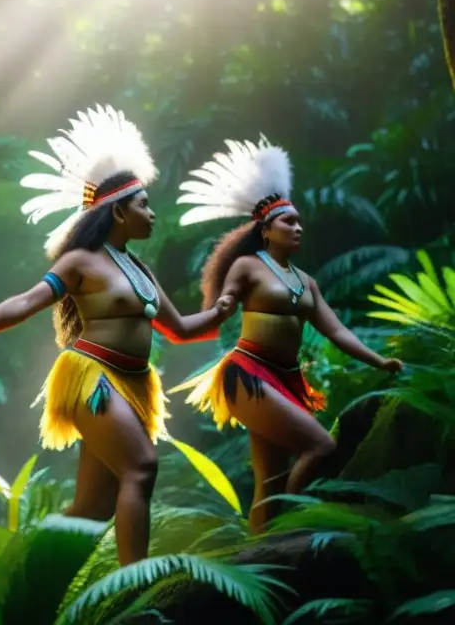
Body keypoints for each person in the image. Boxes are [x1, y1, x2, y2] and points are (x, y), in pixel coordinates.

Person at [0, 105, 233, 566]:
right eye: (143, 204)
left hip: (134, 385)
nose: (152, 213)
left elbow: (181, 330)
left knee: (92, 507)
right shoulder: (80, 263)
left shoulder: (139, 270)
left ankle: (21, 580)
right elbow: (26, 302)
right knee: (140, 469)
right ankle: (135, 590)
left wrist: (223, 308)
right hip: (93, 381)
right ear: (118, 211)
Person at [169, 136, 402, 533]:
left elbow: (336, 330)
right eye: (288, 222)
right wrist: (222, 307)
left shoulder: (306, 282)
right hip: (248, 375)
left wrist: (379, 360)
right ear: (266, 229)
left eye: (298, 221)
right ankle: (291, 527)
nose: (298, 227)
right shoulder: (248, 266)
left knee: (270, 482)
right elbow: (223, 303)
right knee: (320, 446)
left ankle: (260, 552)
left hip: (286, 380)